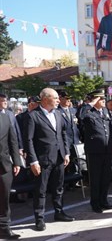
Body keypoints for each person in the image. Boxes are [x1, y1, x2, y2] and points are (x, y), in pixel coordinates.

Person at [24, 88, 75, 231]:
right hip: (42, 159)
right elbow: (28, 140)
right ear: (45, 99)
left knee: (58, 187)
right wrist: (33, 161)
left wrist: (66, 153)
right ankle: (39, 219)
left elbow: (64, 133)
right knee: (41, 190)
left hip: (58, 157)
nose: (59, 100)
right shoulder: (33, 116)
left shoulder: (58, 114)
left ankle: (59, 212)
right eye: (56, 98)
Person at [82, 90, 112, 213]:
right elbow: (80, 116)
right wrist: (90, 103)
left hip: (106, 150)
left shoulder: (105, 112)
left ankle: (103, 200)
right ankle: (95, 203)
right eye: (100, 99)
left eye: (103, 99)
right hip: (94, 151)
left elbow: (111, 129)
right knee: (95, 178)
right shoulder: (88, 112)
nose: (103, 101)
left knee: (106, 177)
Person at [0, 113, 22, 239]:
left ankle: (4, 228)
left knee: (4, 198)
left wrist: (16, 162)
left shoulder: (5, 117)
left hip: (4, 165)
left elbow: (12, 140)